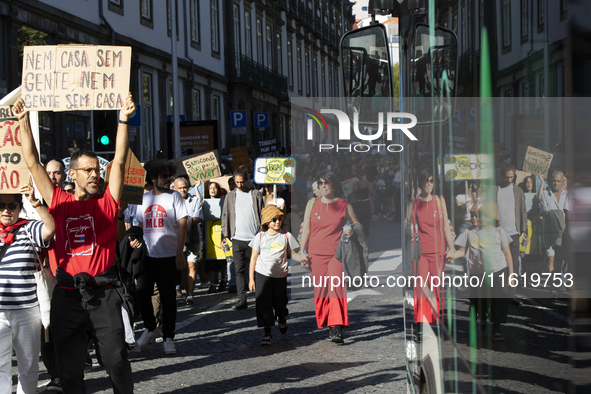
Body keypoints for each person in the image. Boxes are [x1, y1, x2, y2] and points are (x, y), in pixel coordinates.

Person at [13, 93, 136, 393]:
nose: (96, 175)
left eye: (97, 170)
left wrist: (122, 118)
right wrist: (23, 121)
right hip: (67, 296)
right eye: (89, 171)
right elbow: (31, 161)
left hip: (104, 296)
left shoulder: (107, 202)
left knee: (116, 361)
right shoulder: (58, 200)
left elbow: (119, 160)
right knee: (69, 372)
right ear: (73, 174)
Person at [0, 185, 55, 393]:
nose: (6, 210)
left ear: (18, 207)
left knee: (29, 366)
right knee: (0, 367)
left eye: (12, 205)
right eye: (1, 205)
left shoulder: (29, 228)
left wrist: (35, 202)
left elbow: (51, 228)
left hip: (27, 312)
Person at [133, 160, 188, 355]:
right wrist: (135, 239)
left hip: (169, 256)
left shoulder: (175, 197)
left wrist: (179, 253)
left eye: (169, 175)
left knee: (168, 300)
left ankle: (168, 338)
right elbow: (139, 224)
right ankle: (150, 328)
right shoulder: (144, 198)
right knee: (141, 293)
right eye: (164, 176)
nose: (169, 179)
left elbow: (183, 225)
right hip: (148, 255)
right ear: (154, 178)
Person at [299, 170, 359, 344]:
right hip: (315, 255)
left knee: (336, 289)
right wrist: (302, 251)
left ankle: (336, 327)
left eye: (327, 183)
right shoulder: (311, 204)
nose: (323, 186)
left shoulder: (344, 205)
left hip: (337, 255)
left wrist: (351, 230)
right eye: (321, 183)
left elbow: (356, 225)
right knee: (322, 291)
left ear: (334, 185)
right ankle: (329, 321)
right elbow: (306, 230)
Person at [448, 203, 514, 341]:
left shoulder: (500, 232)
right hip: (477, 273)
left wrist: (511, 274)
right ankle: (482, 317)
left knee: (499, 300)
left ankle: (497, 330)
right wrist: (452, 255)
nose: (481, 218)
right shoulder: (470, 232)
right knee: (478, 300)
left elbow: (507, 253)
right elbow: (462, 250)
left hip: (498, 270)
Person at [248, 205, 302, 345]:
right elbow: (253, 258)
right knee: (263, 304)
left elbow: (293, 254)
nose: (277, 221)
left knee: (280, 303)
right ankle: (267, 334)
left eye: (279, 218)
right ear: (267, 221)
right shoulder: (260, 237)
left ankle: (282, 319)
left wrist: (302, 258)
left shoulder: (286, 235)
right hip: (262, 273)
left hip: (280, 275)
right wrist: (251, 279)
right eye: (274, 219)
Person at [412, 169, 455, 324]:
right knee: (421, 286)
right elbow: (408, 227)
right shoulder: (414, 204)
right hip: (421, 252)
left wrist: (452, 249)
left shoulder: (439, 200)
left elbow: (446, 227)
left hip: (438, 252)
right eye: (426, 181)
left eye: (431, 181)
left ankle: (433, 318)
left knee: (435, 287)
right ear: (420, 185)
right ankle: (421, 321)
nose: (429, 184)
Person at [221, 166, 264, 310]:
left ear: (247, 180)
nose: (240, 185)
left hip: (254, 237)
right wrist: (224, 236)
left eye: (242, 182)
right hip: (237, 238)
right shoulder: (230, 196)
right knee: (238, 269)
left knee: (257, 269)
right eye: (237, 182)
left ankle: (260, 297)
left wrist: (262, 233)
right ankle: (242, 299)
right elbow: (225, 216)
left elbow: (262, 214)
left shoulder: (256, 194)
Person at [495, 162, 527, 299]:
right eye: (506, 177)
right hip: (498, 233)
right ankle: (501, 290)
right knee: (499, 264)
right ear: (502, 176)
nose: (509, 180)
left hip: (514, 232)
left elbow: (523, 211)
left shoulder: (518, 191)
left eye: (511, 177)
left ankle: (511, 293)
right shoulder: (495, 189)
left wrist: (524, 230)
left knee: (513, 263)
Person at [174, 177, 203, 305]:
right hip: (178, 239)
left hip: (193, 238)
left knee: (192, 265)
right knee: (184, 268)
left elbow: (198, 218)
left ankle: (190, 294)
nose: (182, 190)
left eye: (184, 187)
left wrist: (183, 221)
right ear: (175, 189)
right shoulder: (172, 201)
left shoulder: (194, 200)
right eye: (179, 188)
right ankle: (187, 291)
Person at [540, 170, 571, 287]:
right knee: (551, 260)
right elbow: (544, 211)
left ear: (563, 182)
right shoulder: (545, 194)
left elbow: (568, 213)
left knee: (562, 259)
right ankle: (554, 286)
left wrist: (558, 216)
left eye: (558, 181)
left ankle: (562, 282)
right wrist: (559, 216)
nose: (556, 183)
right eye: (554, 180)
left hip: (563, 233)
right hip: (549, 232)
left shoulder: (567, 195)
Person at [205, 181, 228, 293]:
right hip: (210, 236)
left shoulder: (224, 202)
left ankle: (223, 280)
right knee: (211, 261)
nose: (213, 190)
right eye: (210, 188)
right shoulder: (205, 202)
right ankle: (213, 284)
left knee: (223, 260)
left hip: (221, 233)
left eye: (215, 188)